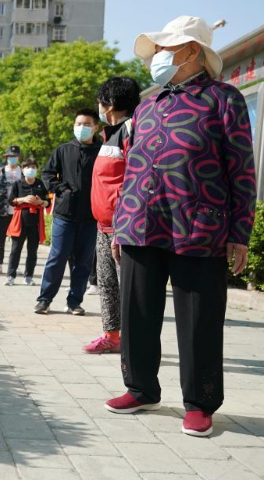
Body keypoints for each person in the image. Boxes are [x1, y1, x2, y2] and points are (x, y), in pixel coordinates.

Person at [104, 16, 256, 438]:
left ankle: (200, 402)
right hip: (140, 224)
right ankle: (140, 388)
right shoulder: (147, 105)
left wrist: (240, 232)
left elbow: (242, 169)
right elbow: (132, 169)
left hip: (200, 227)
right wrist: (120, 225)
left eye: (165, 49)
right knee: (137, 313)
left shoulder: (223, 99)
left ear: (191, 51)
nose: (157, 56)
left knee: (199, 320)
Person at [82, 76, 141, 355]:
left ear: (111, 102)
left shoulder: (131, 130)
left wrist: (121, 226)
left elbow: (134, 181)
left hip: (123, 228)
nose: (99, 106)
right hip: (103, 226)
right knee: (106, 285)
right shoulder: (110, 134)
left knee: (127, 288)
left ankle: (135, 342)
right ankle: (111, 336)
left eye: (100, 101)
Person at [35, 109, 102, 315]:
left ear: (95, 127)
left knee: (83, 262)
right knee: (57, 257)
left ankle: (74, 302)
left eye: (86, 124)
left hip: (90, 216)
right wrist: (61, 189)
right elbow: (47, 173)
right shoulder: (63, 150)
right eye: (78, 124)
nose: (82, 128)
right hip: (64, 214)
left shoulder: (102, 151)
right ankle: (44, 299)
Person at [5, 158, 49, 286]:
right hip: (20, 221)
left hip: (35, 222)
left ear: (37, 169)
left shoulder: (40, 184)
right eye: (27, 167)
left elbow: (48, 202)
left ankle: (28, 276)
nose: (30, 169)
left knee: (32, 251)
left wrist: (40, 202)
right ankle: (10, 276)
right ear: (23, 169)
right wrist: (23, 199)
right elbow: (11, 200)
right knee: (15, 249)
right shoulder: (18, 183)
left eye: (33, 167)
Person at [0, 145, 24, 275]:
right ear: (6, 157)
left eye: (14, 156)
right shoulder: (0, 172)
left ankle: (14, 265)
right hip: (2, 210)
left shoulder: (23, 173)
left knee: (17, 241)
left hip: (18, 212)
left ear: (18, 157)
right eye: (10, 156)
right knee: (0, 239)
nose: (12, 158)